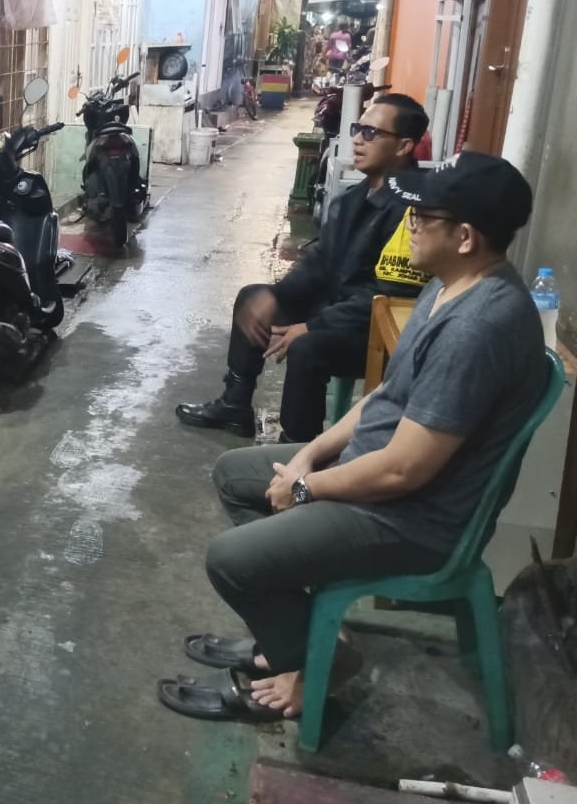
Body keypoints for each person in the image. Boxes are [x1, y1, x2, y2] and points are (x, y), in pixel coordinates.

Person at [160, 152, 546, 722]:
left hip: (411, 518)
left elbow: (403, 471)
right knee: (235, 474)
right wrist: (311, 455)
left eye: (421, 218)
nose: (408, 227)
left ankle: (316, 666)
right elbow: (384, 396)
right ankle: (296, 637)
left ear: (465, 237)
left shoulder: (477, 328)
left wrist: (306, 488)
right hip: (381, 479)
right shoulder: (447, 288)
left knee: (231, 561)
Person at [177, 93, 432, 443]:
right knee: (253, 297)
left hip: (376, 329)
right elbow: (320, 262)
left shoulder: (414, 210)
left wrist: (312, 325)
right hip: (338, 307)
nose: (358, 140)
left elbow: (387, 297)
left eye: (371, 133)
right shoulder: (352, 200)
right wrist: (277, 296)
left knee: (307, 348)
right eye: (357, 129)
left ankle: (296, 447)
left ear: (403, 146)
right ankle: (235, 404)